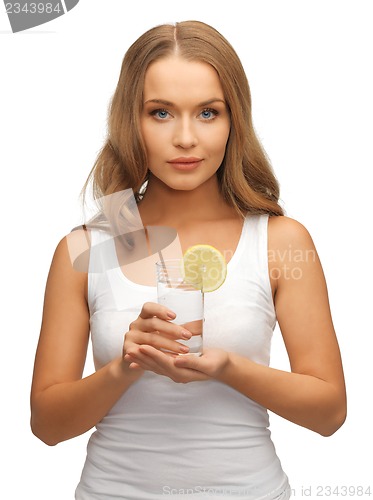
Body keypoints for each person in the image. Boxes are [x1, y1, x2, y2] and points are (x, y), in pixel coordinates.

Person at [30, 20, 347, 500]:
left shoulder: (279, 240)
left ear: (233, 119)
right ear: (129, 121)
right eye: (160, 113)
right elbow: (47, 426)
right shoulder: (91, 244)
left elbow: (329, 414)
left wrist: (228, 368)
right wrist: (126, 365)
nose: (184, 138)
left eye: (207, 113)